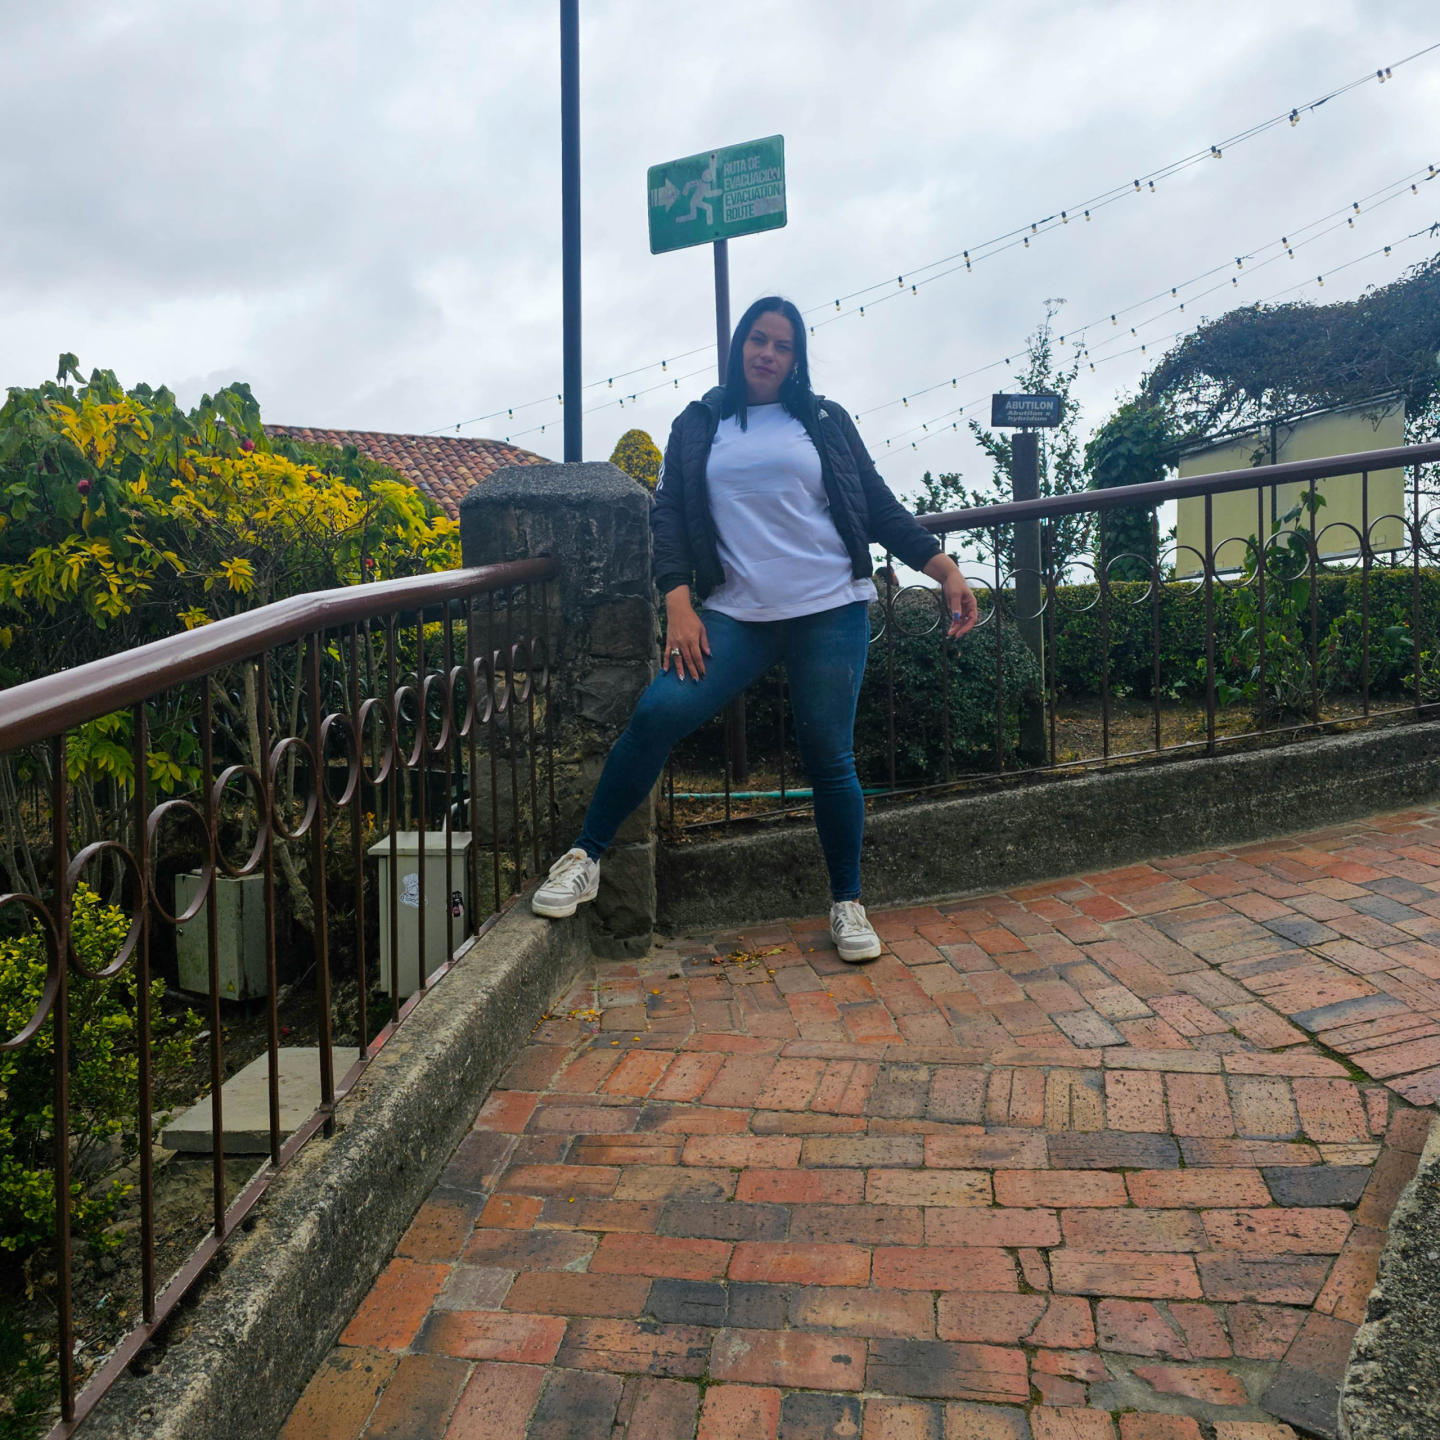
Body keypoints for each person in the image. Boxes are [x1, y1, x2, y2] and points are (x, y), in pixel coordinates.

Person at [531, 295, 978, 961]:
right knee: (657, 713)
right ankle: (585, 858)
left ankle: (847, 902)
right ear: (740, 345)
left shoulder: (824, 420)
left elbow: (877, 506)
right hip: (736, 614)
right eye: (758, 340)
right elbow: (668, 514)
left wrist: (944, 570)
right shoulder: (700, 422)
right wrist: (678, 603)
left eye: (782, 345)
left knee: (829, 756)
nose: (768, 353)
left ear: (796, 359)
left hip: (830, 607)